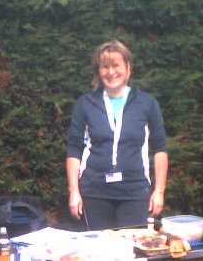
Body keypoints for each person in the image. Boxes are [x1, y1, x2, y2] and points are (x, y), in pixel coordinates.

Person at [66, 39, 168, 230]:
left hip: (134, 191)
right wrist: (74, 191)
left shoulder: (146, 103)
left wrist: (159, 191)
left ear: (128, 67)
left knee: (134, 247)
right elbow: (74, 149)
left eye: (116, 65)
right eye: (105, 67)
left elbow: (160, 149)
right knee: (99, 247)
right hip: (95, 192)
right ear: (98, 71)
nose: (111, 72)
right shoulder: (85, 104)